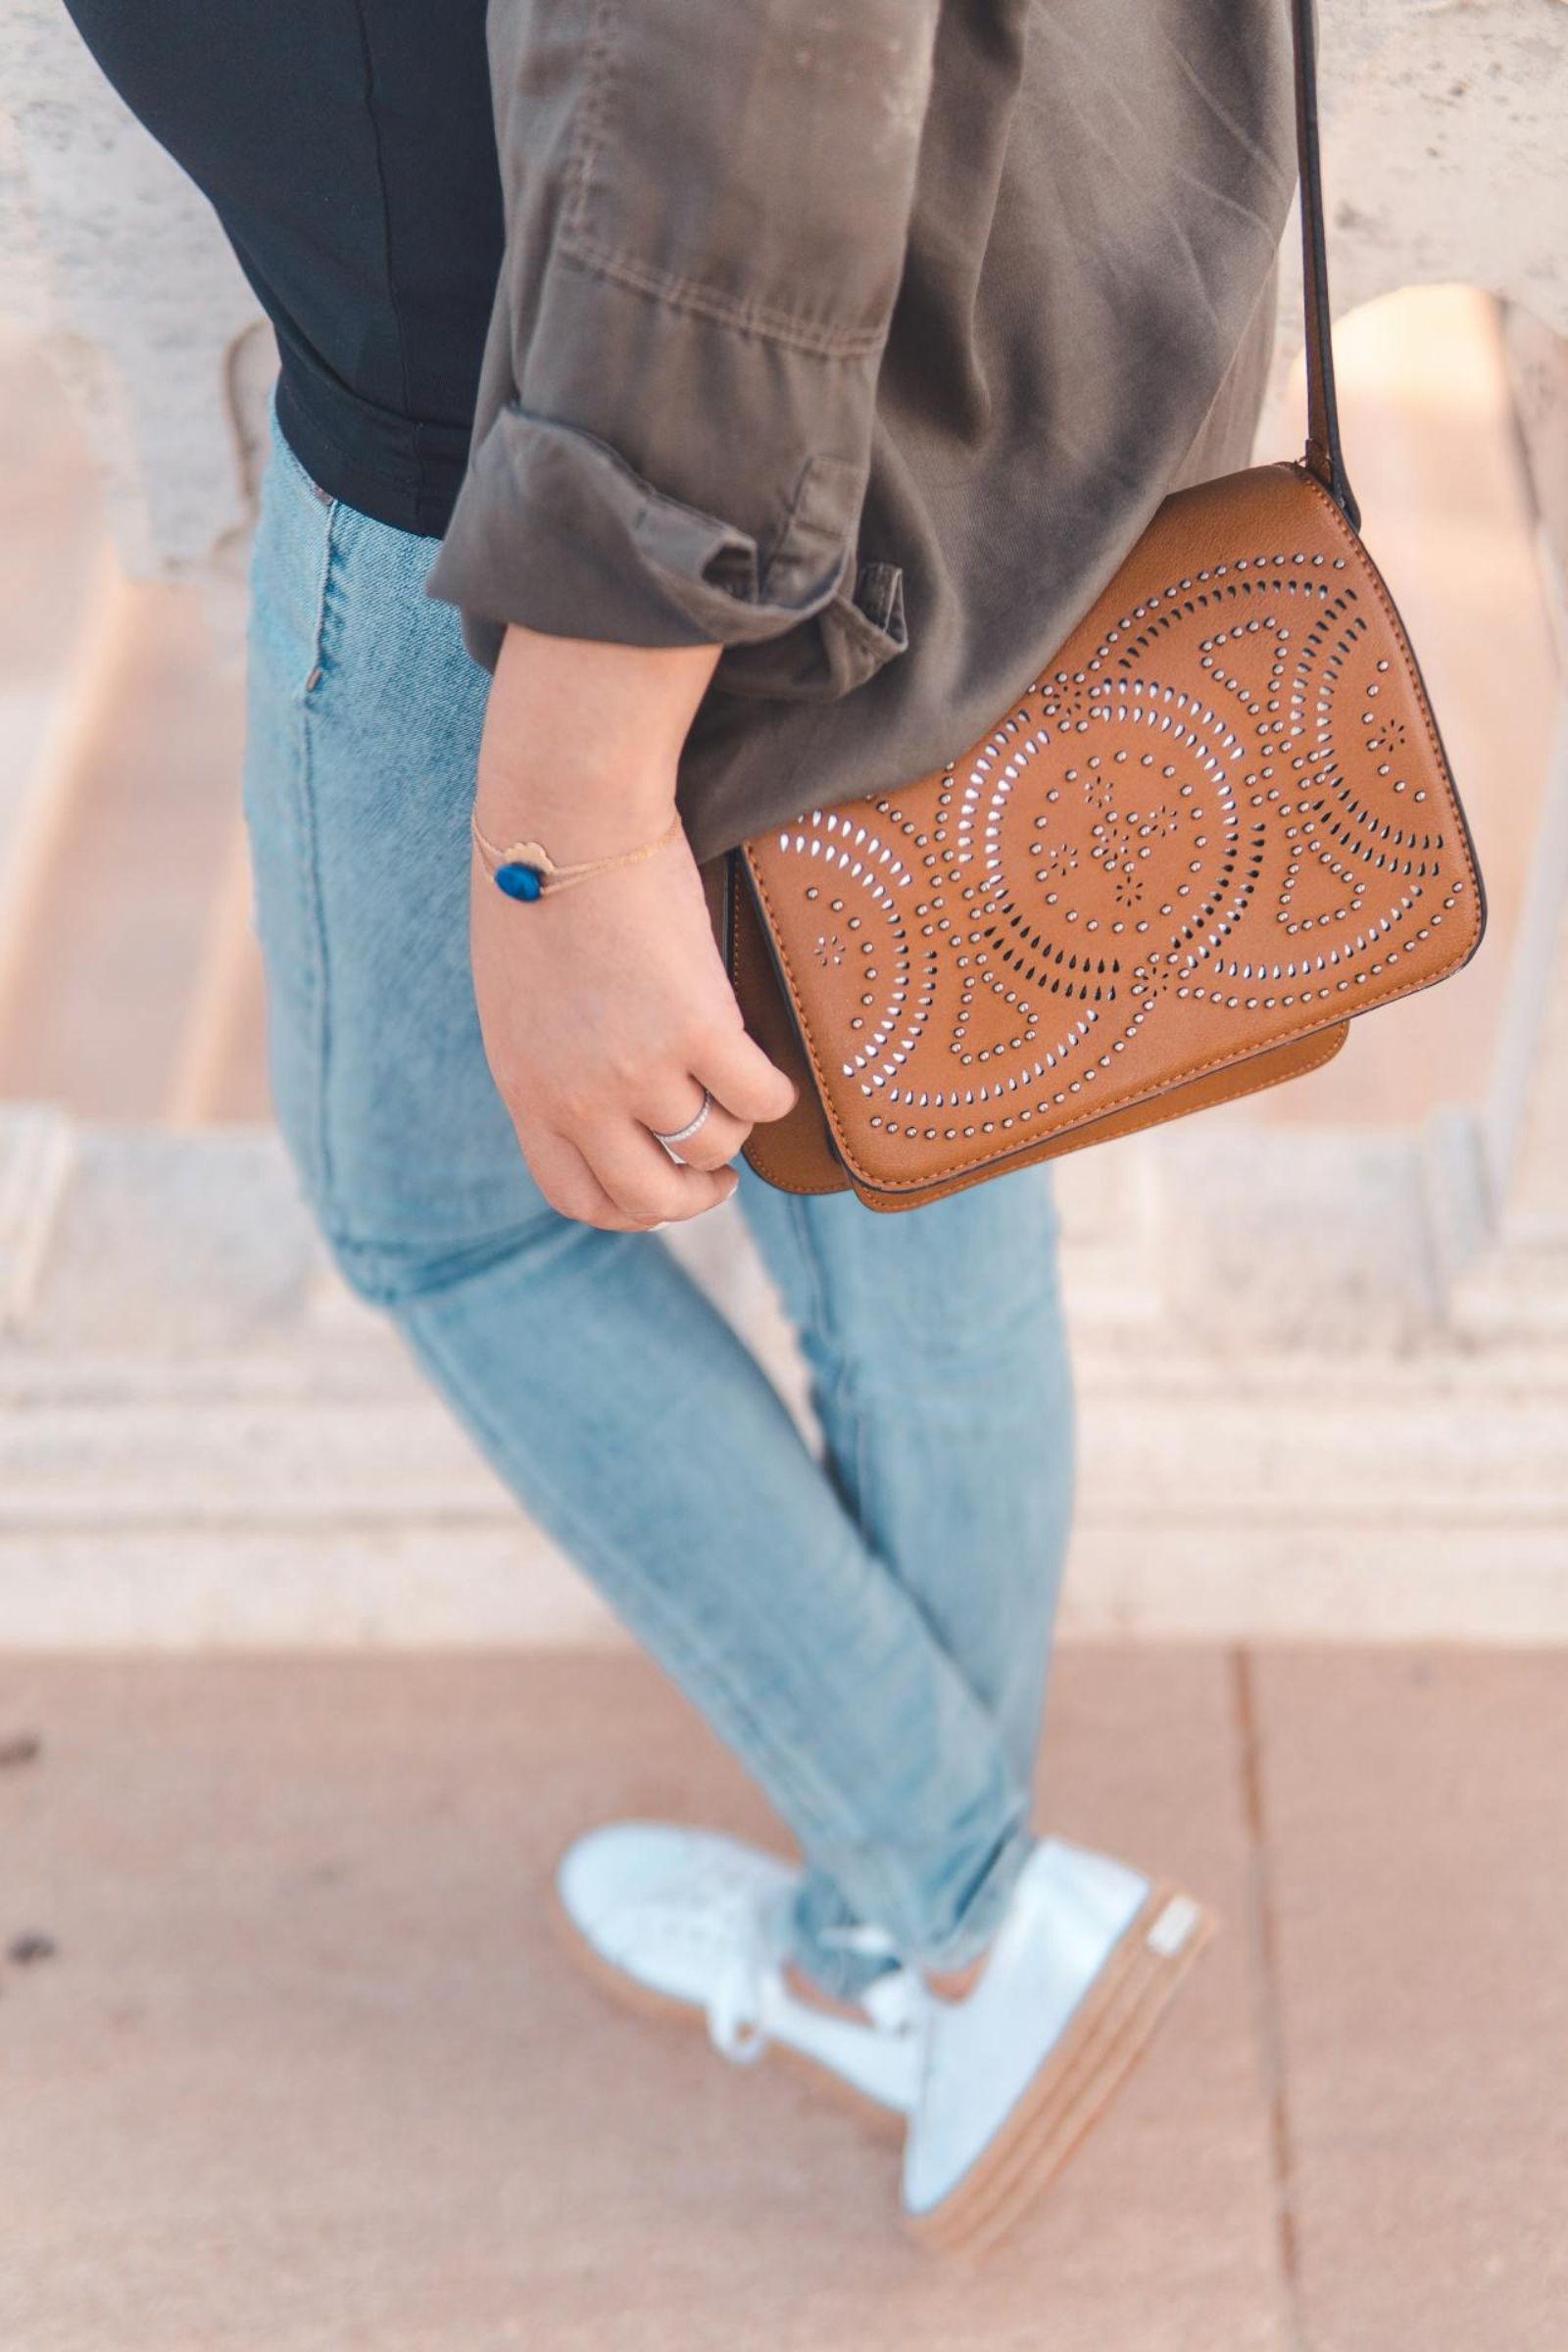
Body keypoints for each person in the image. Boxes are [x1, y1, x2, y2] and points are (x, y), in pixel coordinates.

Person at [64, 0, 1296, 2248]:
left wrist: (572, 789)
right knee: (914, 1176)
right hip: (936, 368)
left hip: (550, 470)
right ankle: (905, 1947)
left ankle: (960, 1914)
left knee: (452, 1219)